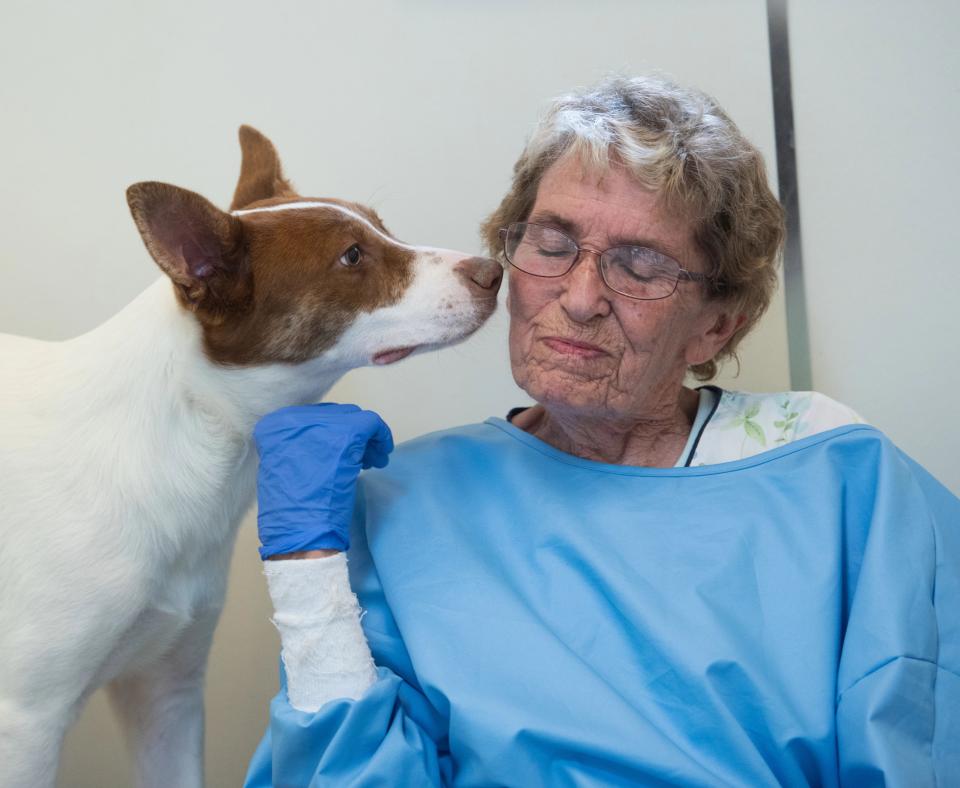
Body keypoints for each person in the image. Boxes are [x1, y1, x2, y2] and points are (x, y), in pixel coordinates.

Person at [243, 76, 960, 786]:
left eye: (640, 266)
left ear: (717, 324)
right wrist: (307, 583)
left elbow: (923, 745)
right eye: (552, 245)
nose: (581, 298)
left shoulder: (843, 481)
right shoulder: (396, 506)